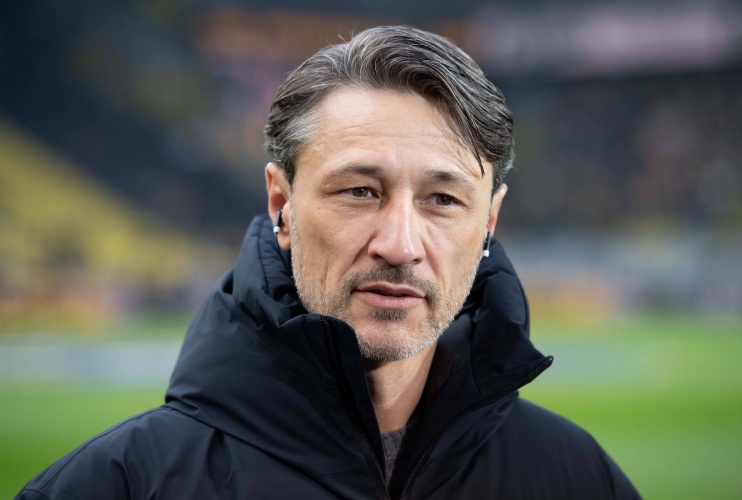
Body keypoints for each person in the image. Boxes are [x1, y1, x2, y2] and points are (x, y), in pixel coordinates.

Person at [17, 26, 639, 499]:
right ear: (281, 204)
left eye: (443, 200)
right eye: (360, 191)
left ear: (490, 222)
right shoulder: (121, 484)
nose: (400, 244)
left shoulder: (577, 478)